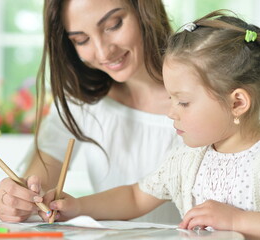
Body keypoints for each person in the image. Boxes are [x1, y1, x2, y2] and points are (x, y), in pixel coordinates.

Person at [38, 10, 260, 239]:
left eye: (183, 102)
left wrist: (237, 220)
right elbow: (135, 196)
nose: (171, 112)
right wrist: (78, 207)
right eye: (170, 99)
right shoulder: (186, 160)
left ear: (237, 102)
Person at [0, 0, 182, 223]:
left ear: (145, 10)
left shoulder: (199, 98)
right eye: (81, 40)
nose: (104, 52)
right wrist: (19, 199)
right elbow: (41, 176)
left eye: (113, 25)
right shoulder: (82, 99)